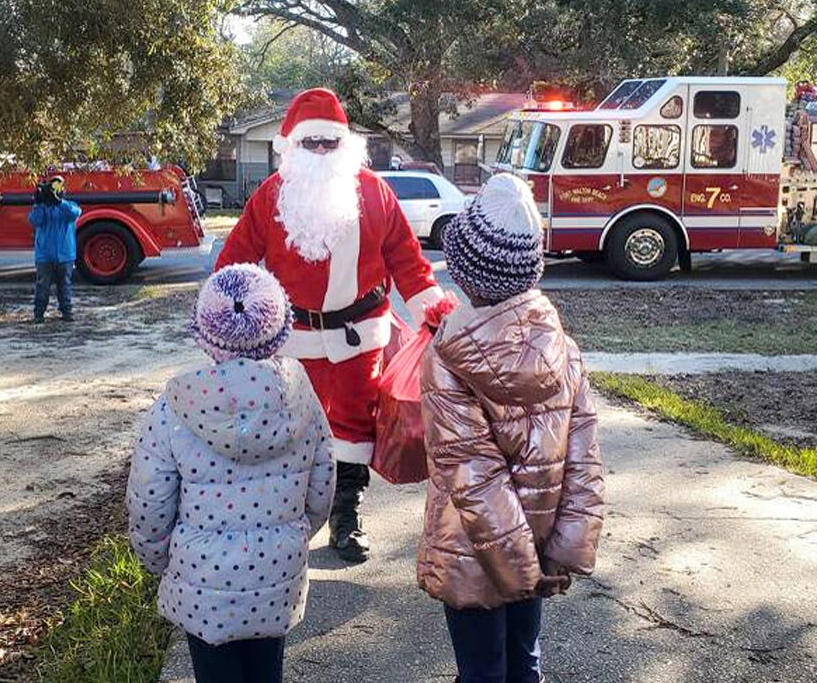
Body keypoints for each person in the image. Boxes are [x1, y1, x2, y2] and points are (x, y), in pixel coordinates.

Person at [215, 87, 443, 563]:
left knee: (355, 426)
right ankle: (289, 519)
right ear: (291, 146)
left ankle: (346, 516)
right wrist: (223, 316)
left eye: (328, 143)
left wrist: (431, 306)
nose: (320, 152)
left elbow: (406, 257)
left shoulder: (375, 192)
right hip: (291, 339)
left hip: (359, 335)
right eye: (310, 143)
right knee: (292, 426)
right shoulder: (271, 196)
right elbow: (235, 262)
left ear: (344, 144)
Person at [418, 173, 605, 683]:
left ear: (466, 273)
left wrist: (522, 573)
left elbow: (474, 479)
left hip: (474, 554)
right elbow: (585, 458)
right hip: (537, 552)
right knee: (525, 663)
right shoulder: (561, 346)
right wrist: (557, 556)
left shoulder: (448, 357)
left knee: (480, 671)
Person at [127, 264, 335, 683]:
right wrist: (294, 535)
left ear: (205, 335)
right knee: (266, 670)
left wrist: (157, 561)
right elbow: (322, 484)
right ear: (278, 331)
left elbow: (150, 501)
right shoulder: (301, 397)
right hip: (278, 569)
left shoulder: (175, 408)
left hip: (202, 578)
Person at [28, 175, 81, 323]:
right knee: (42, 286)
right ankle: (39, 314)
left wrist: (59, 202)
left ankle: (67, 312)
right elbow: (34, 220)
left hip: (64, 255)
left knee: (64, 285)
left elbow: (74, 214)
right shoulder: (43, 208)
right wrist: (38, 203)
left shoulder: (69, 205)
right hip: (45, 255)